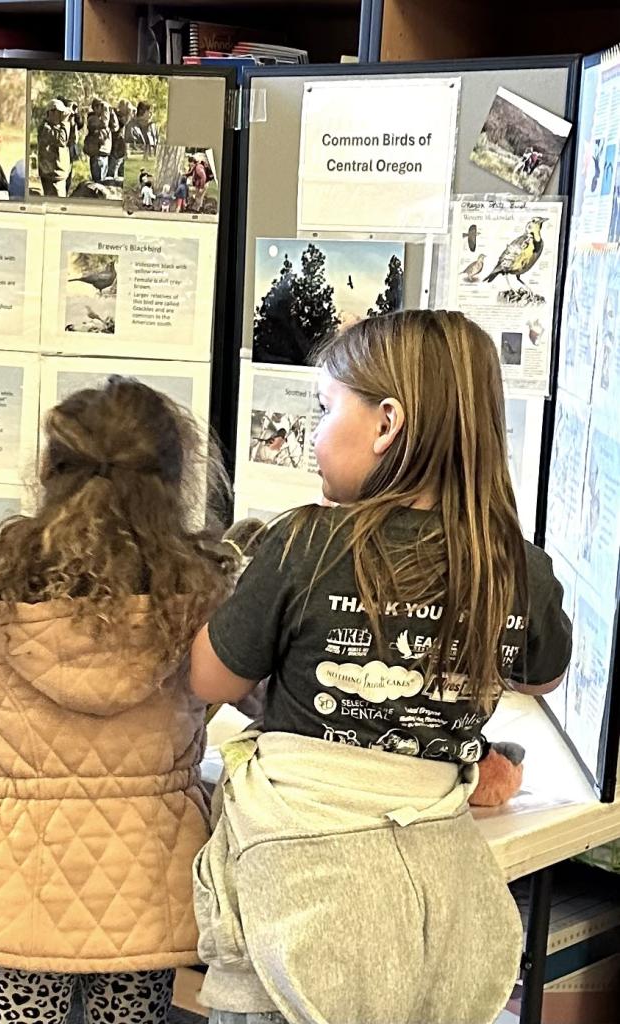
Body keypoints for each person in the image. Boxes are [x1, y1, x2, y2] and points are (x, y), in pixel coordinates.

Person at [189, 310, 572, 1024]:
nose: (314, 433)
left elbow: (210, 681)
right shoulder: (511, 561)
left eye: (326, 408)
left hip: (306, 885)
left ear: (386, 422)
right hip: (431, 894)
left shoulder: (304, 540)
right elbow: (542, 674)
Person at [0, 377, 237, 1024]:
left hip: (15, 879)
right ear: (174, 477)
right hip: (146, 880)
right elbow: (213, 700)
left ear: (51, 470)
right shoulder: (195, 602)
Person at [37, 97, 72, 197]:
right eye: (59, 112)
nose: (62, 115)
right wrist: (65, 122)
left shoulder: (56, 126)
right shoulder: (45, 128)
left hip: (58, 174)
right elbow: (62, 141)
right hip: (52, 176)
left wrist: (71, 120)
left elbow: (71, 139)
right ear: (51, 112)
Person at [83, 97, 115, 185]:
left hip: (105, 153)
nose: (103, 110)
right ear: (95, 108)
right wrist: (106, 111)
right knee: (98, 183)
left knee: (103, 182)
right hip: (97, 154)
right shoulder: (92, 119)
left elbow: (115, 126)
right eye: (100, 107)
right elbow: (104, 124)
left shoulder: (105, 118)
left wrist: (111, 112)